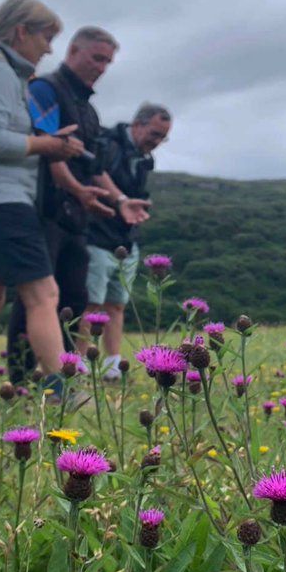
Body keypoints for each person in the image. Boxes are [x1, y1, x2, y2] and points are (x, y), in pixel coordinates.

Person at [0, 0, 85, 402]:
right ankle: (62, 395)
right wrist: (49, 145)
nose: (49, 49)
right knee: (44, 295)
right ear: (21, 32)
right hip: (2, 199)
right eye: (46, 38)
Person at [6, 26, 148, 384]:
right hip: (43, 209)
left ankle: (63, 376)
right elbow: (50, 149)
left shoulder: (90, 110)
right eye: (96, 58)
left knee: (75, 297)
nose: (102, 67)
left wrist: (120, 200)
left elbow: (96, 169)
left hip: (76, 218)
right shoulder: (45, 88)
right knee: (35, 296)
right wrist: (76, 189)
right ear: (73, 50)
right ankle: (21, 380)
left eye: (108, 62)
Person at [83, 102, 172, 380]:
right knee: (91, 303)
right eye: (154, 134)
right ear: (137, 125)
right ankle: (80, 364)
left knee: (117, 303)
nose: (157, 142)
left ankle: (112, 368)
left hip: (125, 238)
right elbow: (94, 172)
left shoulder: (144, 159)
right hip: (96, 234)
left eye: (163, 138)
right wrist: (121, 200)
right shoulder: (107, 144)